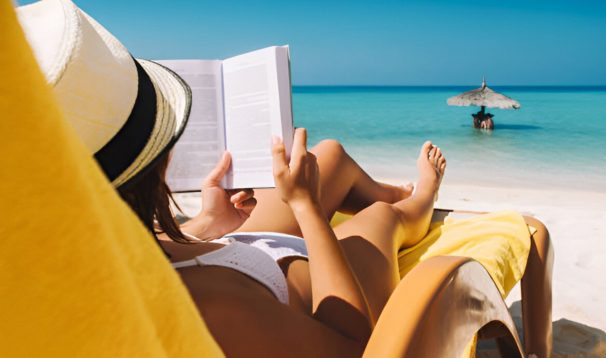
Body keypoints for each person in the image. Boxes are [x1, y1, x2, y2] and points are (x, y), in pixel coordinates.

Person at [18, 1, 553, 356]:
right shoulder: (209, 309)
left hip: (238, 250)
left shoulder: (102, 252)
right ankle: (419, 201)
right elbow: (353, 345)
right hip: (318, 291)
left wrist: (207, 221)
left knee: (329, 155)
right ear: (151, 168)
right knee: (380, 218)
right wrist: (303, 210)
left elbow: (159, 248)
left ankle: (380, 191)